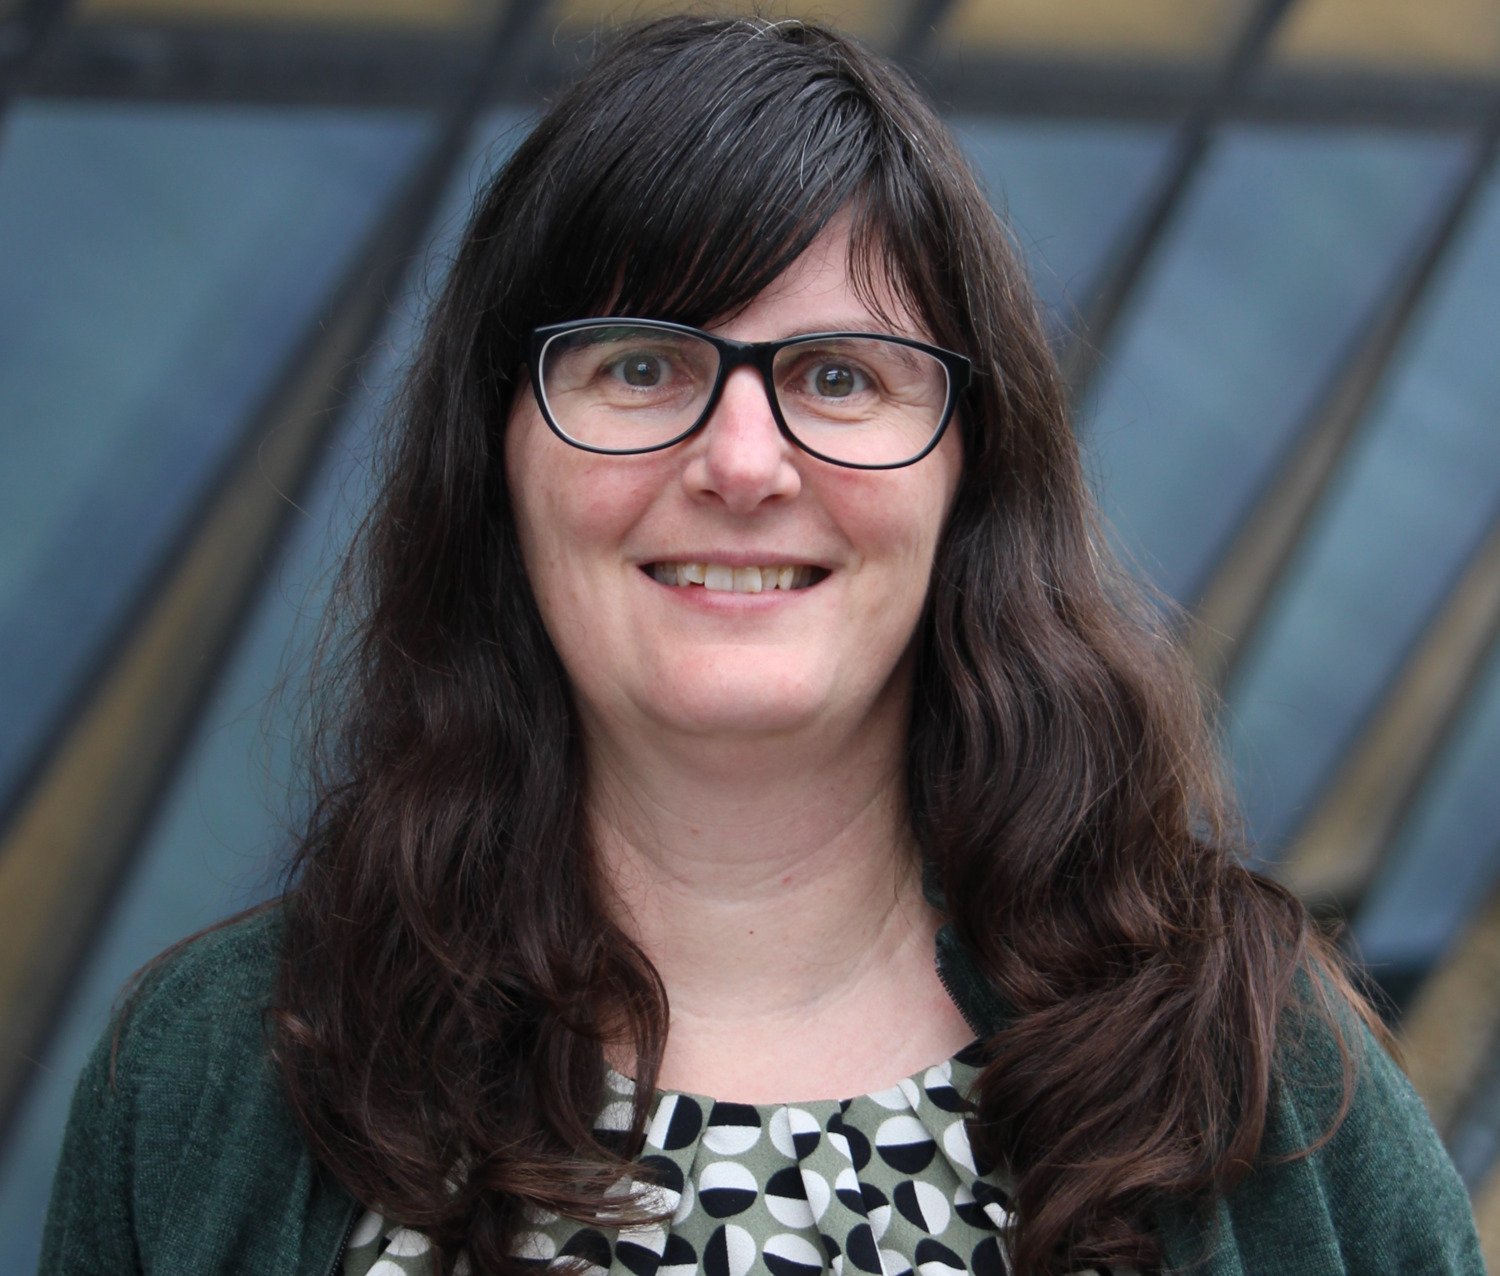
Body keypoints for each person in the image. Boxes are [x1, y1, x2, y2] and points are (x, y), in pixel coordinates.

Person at [42, 15, 1482, 1276]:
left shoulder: (1250, 1062)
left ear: (972, 472)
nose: (743, 460)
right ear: (499, 459)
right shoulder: (229, 1068)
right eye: (642, 364)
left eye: (840, 375)